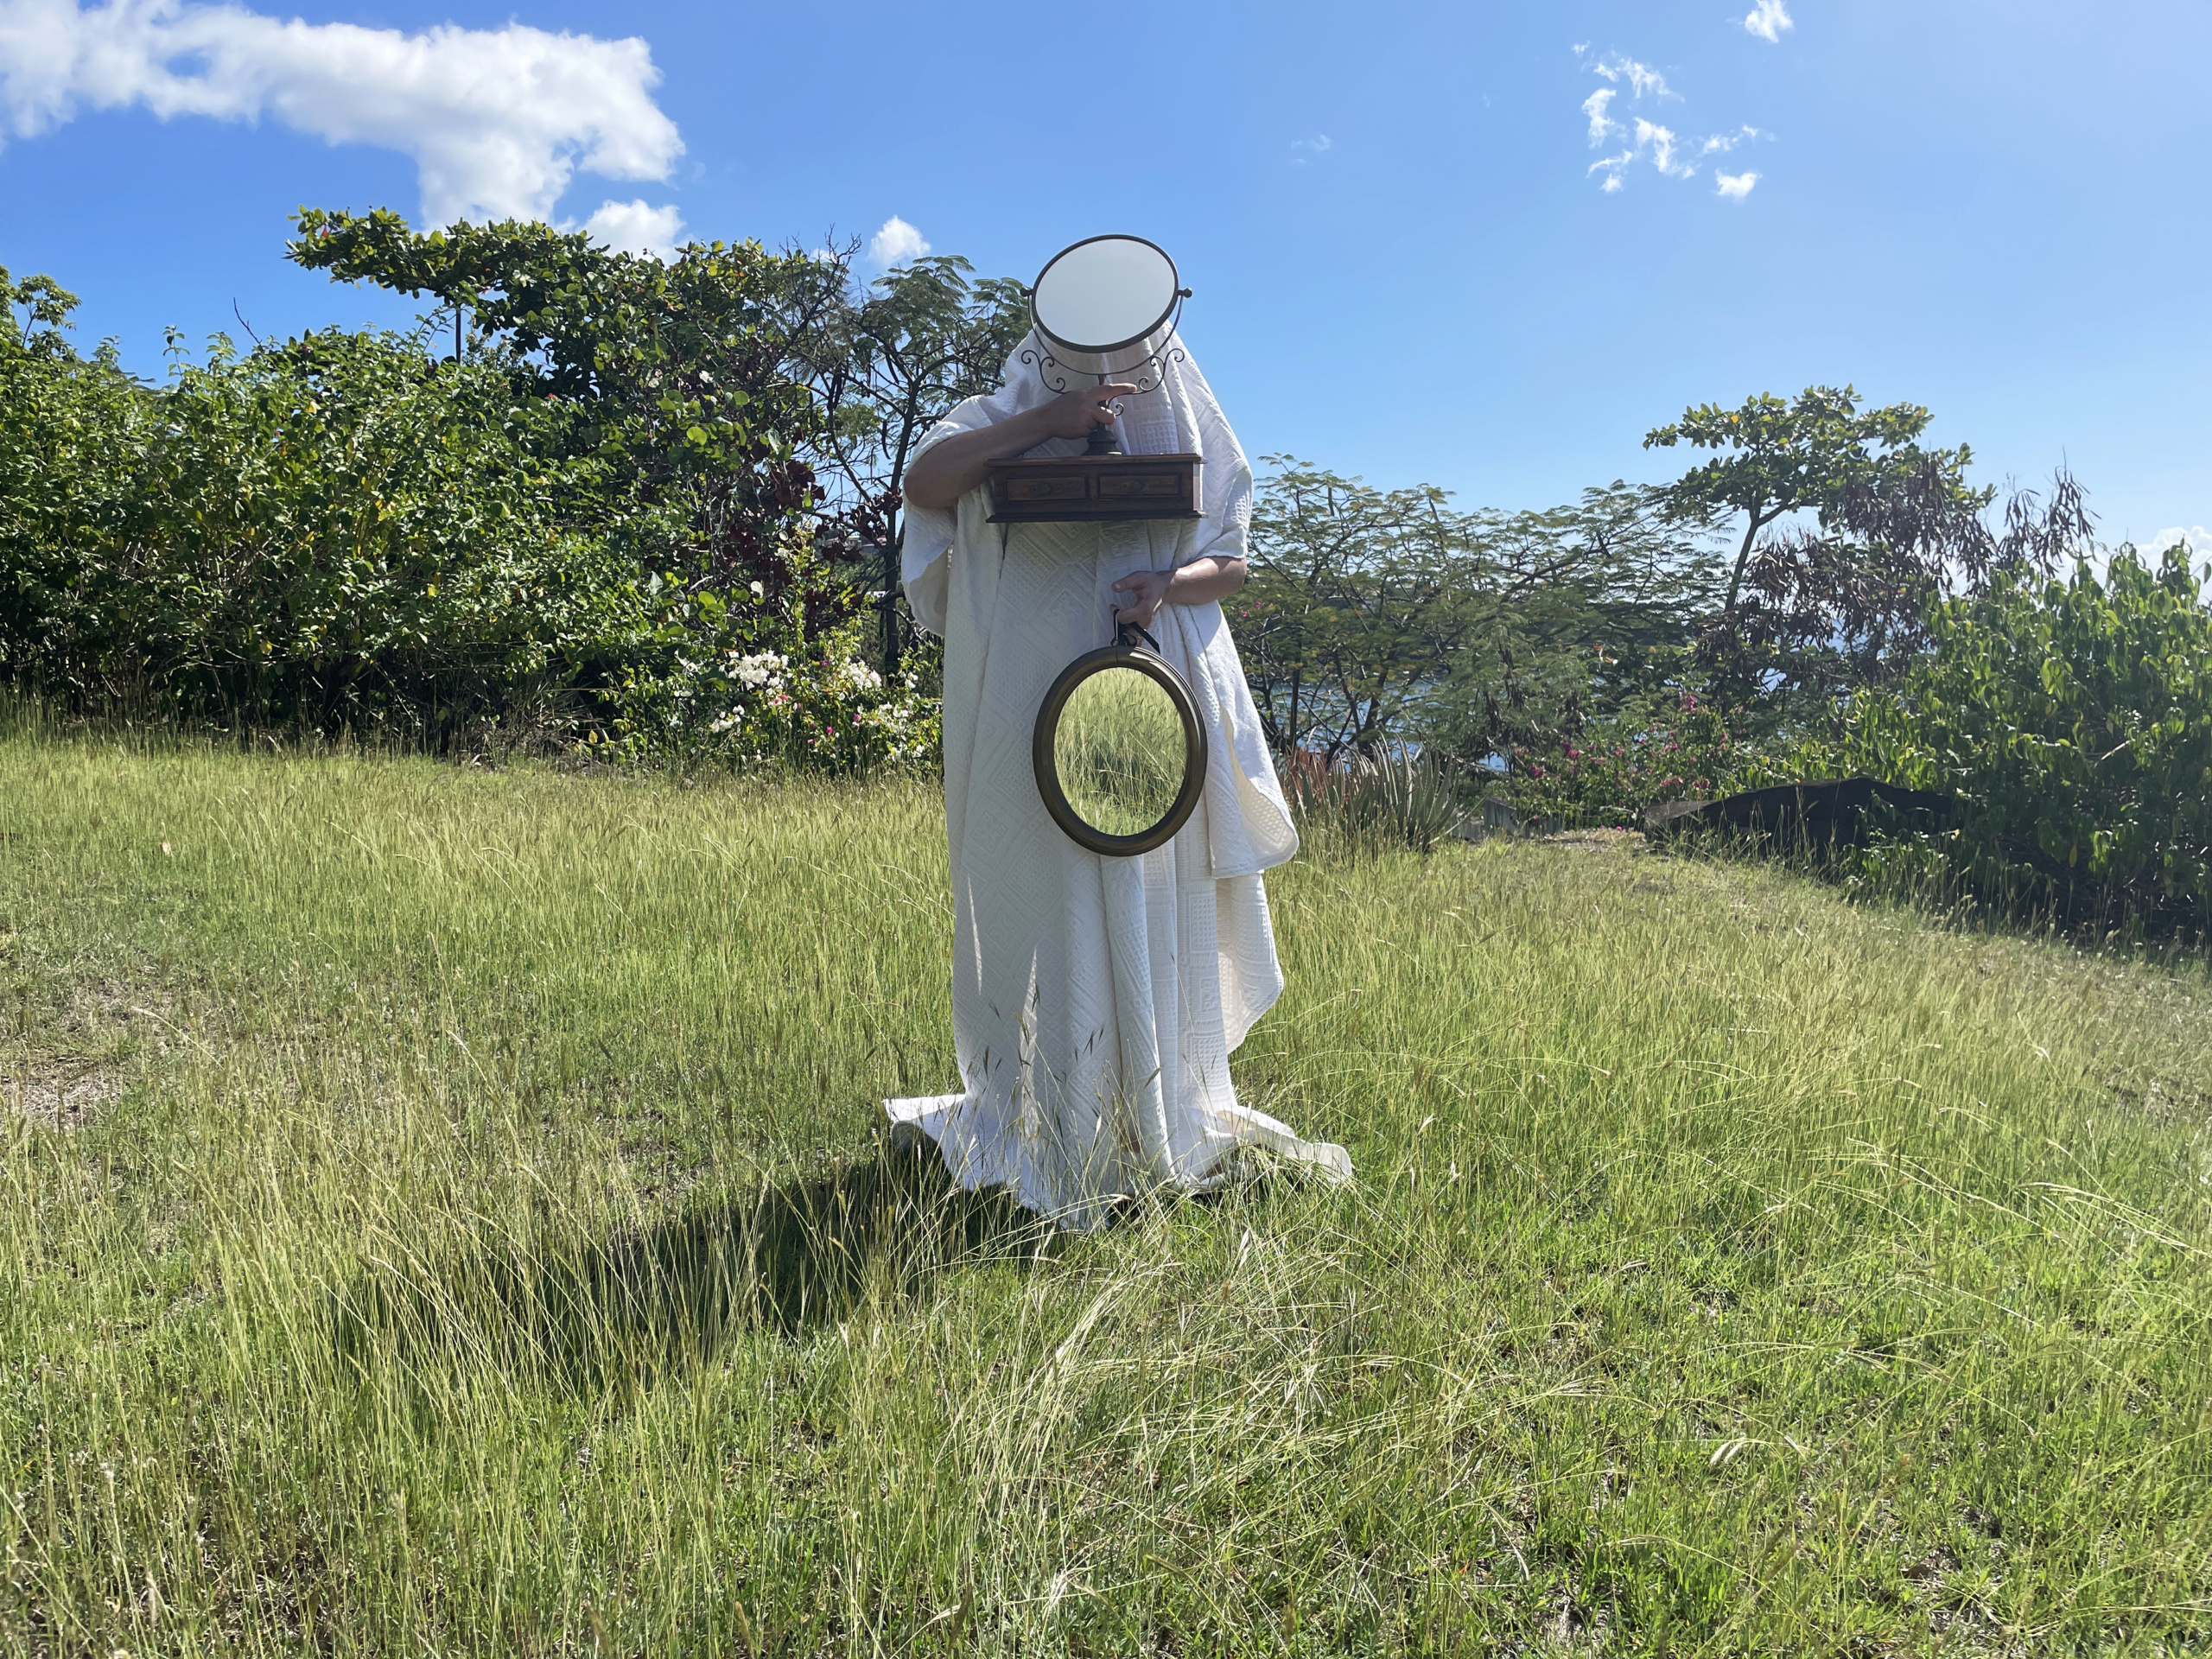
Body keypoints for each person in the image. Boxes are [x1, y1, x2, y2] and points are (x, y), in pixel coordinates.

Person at [884, 322, 1351, 1228]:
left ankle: (1154, 1112)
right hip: (1025, 704)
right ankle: (1048, 1113)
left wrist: (1166, 587)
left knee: (1154, 894)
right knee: (1043, 890)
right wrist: (1048, 421)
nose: (1111, 373)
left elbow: (1233, 558)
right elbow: (926, 485)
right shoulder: (995, 416)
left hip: (1151, 703)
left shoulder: (1187, 423)